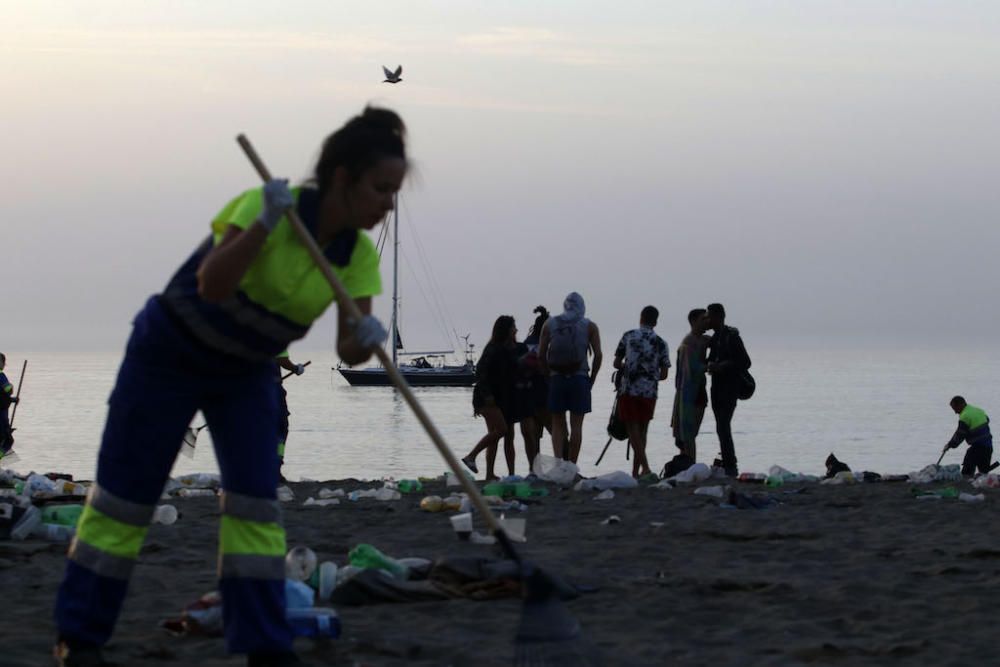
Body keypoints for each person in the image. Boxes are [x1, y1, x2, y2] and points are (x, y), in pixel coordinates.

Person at [52, 106, 404, 667]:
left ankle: (264, 644)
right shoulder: (265, 206)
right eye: (382, 189)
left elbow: (348, 351)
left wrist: (366, 332)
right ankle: (81, 636)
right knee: (125, 499)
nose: (389, 203)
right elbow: (212, 284)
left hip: (246, 371)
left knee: (255, 506)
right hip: (169, 353)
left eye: (395, 191)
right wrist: (266, 223)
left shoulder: (356, 255)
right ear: (344, 178)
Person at [538, 292, 602, 463]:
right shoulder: (590, 326)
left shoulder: (550, 323)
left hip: (557, 378)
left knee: (557, 424)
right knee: (576, 426)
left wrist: (547, 376)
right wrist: (592, 378)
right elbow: (598, 355)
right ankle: (572, 465)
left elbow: (541, 354)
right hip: (579, 378)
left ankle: (559, 462)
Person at [613, 306, 670, 478]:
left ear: (641, 318)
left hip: (629, 388)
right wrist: (649, 375)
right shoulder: (661, 343)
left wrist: (628, 368)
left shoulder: (629, 336)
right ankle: (635, 472)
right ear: (656, 321)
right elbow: (665, 374)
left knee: (632, 429)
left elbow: (616, 362)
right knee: (643, 430)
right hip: (650, 391)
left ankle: (644, 467)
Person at [462, 316, 518, 480]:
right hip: (486, 398)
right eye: (513, 327)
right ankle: (471, 456)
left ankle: (489, 474)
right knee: (502, 430)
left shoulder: (506, 348)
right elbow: (480, 372)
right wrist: (488, 395)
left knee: (493, 435)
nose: (516, 330)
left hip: (497, 398)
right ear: (506, 329)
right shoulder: (493, 348)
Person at [705, 303, 751, 477]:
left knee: (723, 426)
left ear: (719, 317)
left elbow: (745, 362)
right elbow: (712, 360)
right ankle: (728, 463)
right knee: (720, 427)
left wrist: (723, 366)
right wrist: (711, 366)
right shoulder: (715, 338)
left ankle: (731, 466)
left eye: (709, 316)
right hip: (716, 388)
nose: (707, 320)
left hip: (729, 389)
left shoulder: (731, 337)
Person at [671, 309, 711, 462]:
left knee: (690, 433)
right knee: (688, 434)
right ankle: (690, 463)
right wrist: (711, 366)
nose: (707, 321)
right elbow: (692, 369)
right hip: (688, 395)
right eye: (703, 319)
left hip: (698, 392)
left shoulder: (703, 340)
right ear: (694, 321)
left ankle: (688, 462)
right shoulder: (688, 343)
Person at [274, 352, 307, 482]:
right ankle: (275, 467)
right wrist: (296, 368)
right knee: (281, 429)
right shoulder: (275, 336)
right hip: (271, 390)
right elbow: (282, 359)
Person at [943, 396, 994, 476]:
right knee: (984, 472)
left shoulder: (965, 416)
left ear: (960, 405)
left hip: (978, 447)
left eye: (955, 409)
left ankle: (967, 483)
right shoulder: (979, 410)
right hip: (988, 446)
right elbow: (987, 420)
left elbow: (959, 435)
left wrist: (949, 445)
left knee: (967, 470)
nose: (955, 412)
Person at [0, 353, 19, 454]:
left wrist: (12, 399)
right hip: (1, 415)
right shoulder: (1, 376)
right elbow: (8, 391)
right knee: (8, 440)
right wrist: (11, 387)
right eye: (3, 362)